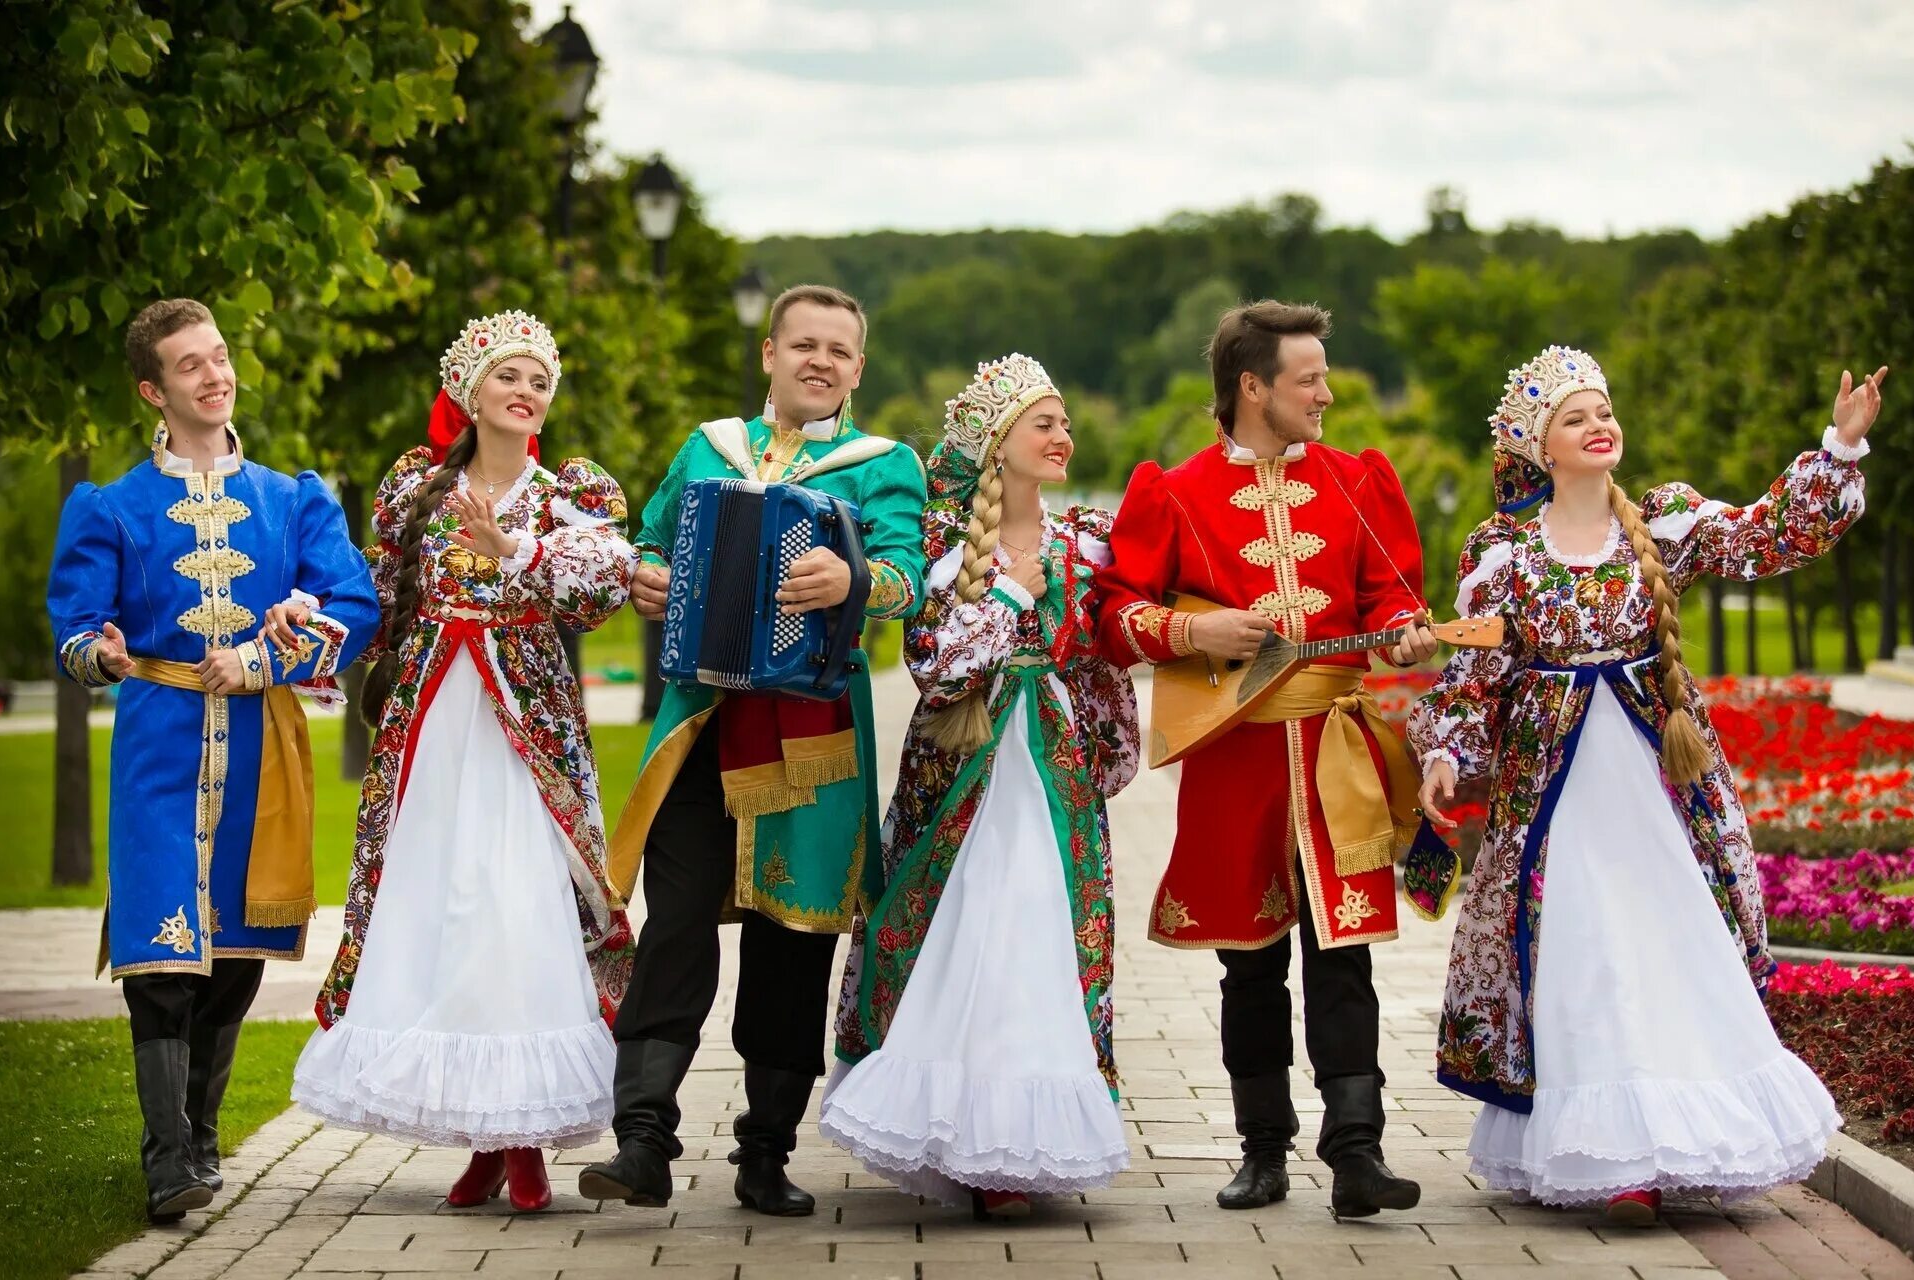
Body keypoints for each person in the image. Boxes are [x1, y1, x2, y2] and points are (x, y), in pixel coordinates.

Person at [1408, 347, 1880, 1223]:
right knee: (1584, 950)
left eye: (1605, 409)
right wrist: (1446, 753)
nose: (1600, 425)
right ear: (1540, 446)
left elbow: (1766, 534)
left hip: (1658, 785)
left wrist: (1837, 449)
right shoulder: (1501, 548)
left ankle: (1685, 1140)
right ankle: (1611, 1156)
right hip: (1554, 794)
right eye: (1576, 417)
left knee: (1671, 944)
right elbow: (1474, 674)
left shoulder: (1662, 520)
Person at [580, 285, 928, 1217]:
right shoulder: (709, 448)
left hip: (811, 727)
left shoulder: (885, 464)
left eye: (840, 351)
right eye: (803, 344)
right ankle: (643, 1138)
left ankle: (764, 1151)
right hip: (701, 720)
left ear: (859, 368)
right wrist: (647, 577)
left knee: (794, 934)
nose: (821, 361)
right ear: (768, 353)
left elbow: (907, 577)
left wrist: (853, 577)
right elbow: (648, 544)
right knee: (677, 922)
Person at [1092, 301, 1435, 1216]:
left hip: (1336, 753)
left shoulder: (1360, 482)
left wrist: (1402, 638)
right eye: (1308, 378)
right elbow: (1116, 613)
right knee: (1248, 964)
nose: (1326, 393)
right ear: (1253, 387)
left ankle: (1357, 1151)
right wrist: (1193, 627)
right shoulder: (1175, 492)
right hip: (1232, 757)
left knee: (1345, 951)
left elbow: (1397, 600)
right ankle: (1262, 1149)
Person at [293, 311, 638, 1213]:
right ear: (470, 392)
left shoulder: (571, 493)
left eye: (539, 383)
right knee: (445, 905)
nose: (525, 395)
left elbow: (602, 586)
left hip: (524, 727)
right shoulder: (416, 487)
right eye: (508, 378)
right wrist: (314, 624)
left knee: (516, 904)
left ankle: (524, 1138)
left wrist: (514, 549)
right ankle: (485, 1136)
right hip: (434, 724)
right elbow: (373, 593)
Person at [48, 299, 379, 1223]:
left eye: (220, 355)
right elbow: (73, 628)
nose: (214, 373)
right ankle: (167, 1161)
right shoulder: (109, 506)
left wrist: (273, 651)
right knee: (161, 953)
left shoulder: (293, 498)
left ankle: (199, 1135)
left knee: (233, 954)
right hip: (158, 743)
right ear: (154, 389)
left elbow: (354, 603)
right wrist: (100, 653)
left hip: (262, 755)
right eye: (189, 364)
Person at [820, 355, 1139, 1217]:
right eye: (1046, 423)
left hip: (1052, 766)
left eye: (1066, 421)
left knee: (1043, 929)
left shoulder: (1087, 539)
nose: (1064, 435)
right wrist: (1006, 595)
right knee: (961, 927)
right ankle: (953, 1123)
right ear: (1000, 446)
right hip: (960, 767)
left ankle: (1026, 1134)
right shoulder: (943, 544)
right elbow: (934, 666)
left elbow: (1108, 647)